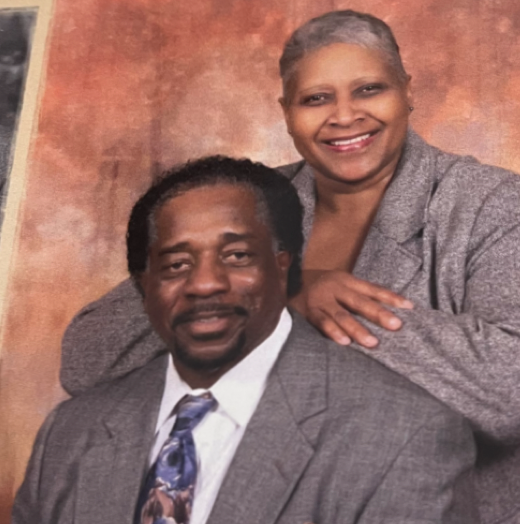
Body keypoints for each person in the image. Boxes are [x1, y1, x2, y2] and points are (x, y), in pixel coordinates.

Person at [60, 10, 520, 524]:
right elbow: (86, 359)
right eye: (316, 98)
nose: (344, 116)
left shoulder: (492, 205)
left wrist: (311, 305)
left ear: (406, 91)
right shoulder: (245, 204)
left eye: (369, 90)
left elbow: (510, 388)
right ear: (286, 112)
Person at [13, 157, 476, 524]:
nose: (205, 284)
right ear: (143, 287)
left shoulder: (405, 437)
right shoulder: (68, 433)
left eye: (237, 256)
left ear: (283, 267)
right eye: (176, 265)